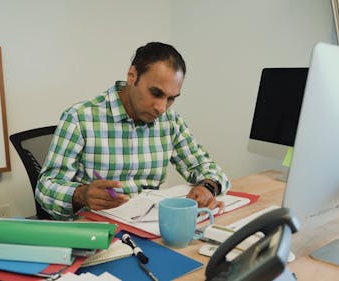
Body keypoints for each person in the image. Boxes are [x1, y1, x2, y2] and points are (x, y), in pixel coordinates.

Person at [36, 42, 230, 220]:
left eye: (171, 98)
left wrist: (207, 186)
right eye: (156, 93)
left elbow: (204, 165)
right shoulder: (80, 118)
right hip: (97, 230)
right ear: (132, 76)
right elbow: (46, 188)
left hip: (149, 227)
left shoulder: (170, 121)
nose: (162, 108)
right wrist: (81, 194)